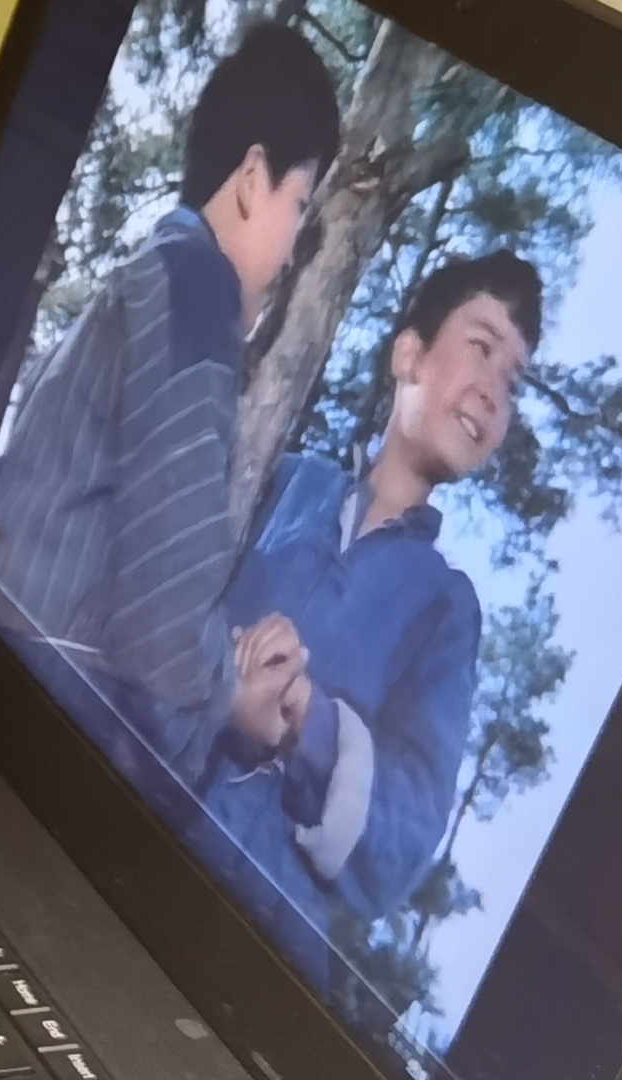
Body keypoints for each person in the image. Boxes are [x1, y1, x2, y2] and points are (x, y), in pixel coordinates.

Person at [0, 21, 342, 744]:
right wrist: (231, 693)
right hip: (27, 709)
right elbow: (159, 626)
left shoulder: (144, 282)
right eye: (300, 205)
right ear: (253, 179)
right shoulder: (198, 287)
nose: (296, 246)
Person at [204, 251, 543, 947]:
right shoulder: (282, 478)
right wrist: (219, 681)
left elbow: (405, 843)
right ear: (408, 356)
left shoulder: (446, 607)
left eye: (512, 381)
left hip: (256, 938)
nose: (492, 392)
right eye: (481, 348)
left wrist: (306, 722)